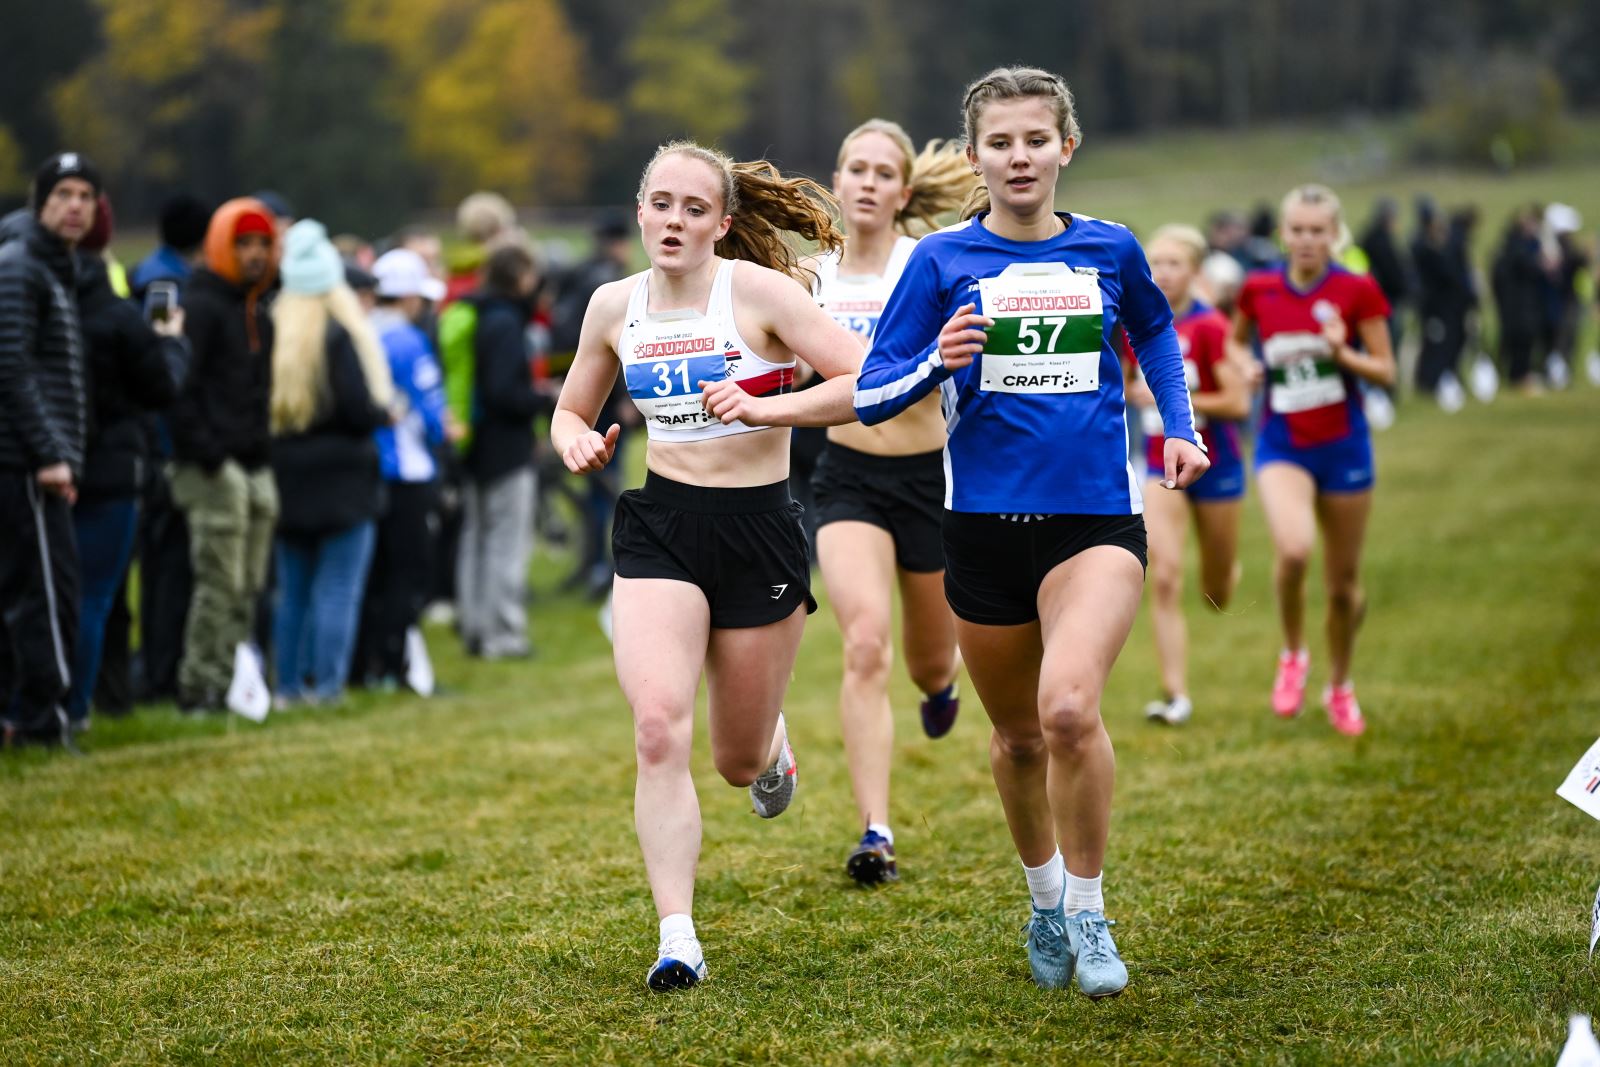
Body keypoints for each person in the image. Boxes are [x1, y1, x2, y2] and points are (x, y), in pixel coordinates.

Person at [854, 68, 1208, 999]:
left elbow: (1157, 334)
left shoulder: (1110, 248)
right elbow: (873, 390)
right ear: (974, 157)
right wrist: (939, 360)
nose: (1019, 156)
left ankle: (1090, 911)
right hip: (979, 531)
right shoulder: (939, 264)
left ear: (1066, 147)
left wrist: (1179, 422)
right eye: (1000, 143)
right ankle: (1045, 898)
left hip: (1094, 521)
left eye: (1035, 139)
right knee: (1016, 739)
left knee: (1067, 710)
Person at [550, 140, 863, 990]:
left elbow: (864, 380)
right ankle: (677, 935)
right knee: (657, 726)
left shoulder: (756, 292)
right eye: (662, 203)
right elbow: (571, 406)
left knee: (734, 759)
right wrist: (576, 437)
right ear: (641, 210)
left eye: (695, 208)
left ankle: (770, 748)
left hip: (758, 529)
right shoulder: (614, 305)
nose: (675, 220)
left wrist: (774, 406)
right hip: (662, 527)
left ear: (722, 223)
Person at [806, 119, 974, 886]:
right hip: (849, 480)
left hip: (931, 483)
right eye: (855, 168)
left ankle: (941, 687)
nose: (867, 182)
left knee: (928, 660)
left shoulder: (929, 265)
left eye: (882, 172)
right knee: (865, 643)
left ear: (903, 193)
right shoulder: (811, 279)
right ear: (837, 184)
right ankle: (875, 828)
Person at [1231, 184, 1395, 736]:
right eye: (1296, 230)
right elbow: (1235, 345)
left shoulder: (1357, 290)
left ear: (1334, 235)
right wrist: (1245, 369)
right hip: (1282, 444)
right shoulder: (1258, 289)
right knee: (1295, 550)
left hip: (1344, 445)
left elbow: (1386, 370)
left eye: (1317, 231)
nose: (1305, 240)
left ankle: (1340, 687)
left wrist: (1341, 351)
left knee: (1344, 586)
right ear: (1283, 233)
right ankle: (1294, 655)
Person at [66, 192, 189, 729]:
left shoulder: (83, 284)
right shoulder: (150, 289)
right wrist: (171, 344)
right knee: (100, 596)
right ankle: (79, 705)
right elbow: (160, 379)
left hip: (66, 452)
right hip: (114, 455)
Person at [1119, 225, 1249, 726]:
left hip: (1218, 464)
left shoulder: (1212, 327)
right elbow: (1131, 384)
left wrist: (1182, 407)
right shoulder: (1137, 325)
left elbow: (1238, 402)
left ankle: (1224, 573)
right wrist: (1139, 395)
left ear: (1195, 272)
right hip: (1159, 463)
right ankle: (1176, 696)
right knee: (1165, 576)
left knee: (1217, 594)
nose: (1165, 273)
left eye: (1175, 263)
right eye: (1156, 263)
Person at [268, 221, 394, 707]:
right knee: (337, 587)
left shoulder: (274, 329)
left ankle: (287, 686)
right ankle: (328, 687)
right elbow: (358, 410)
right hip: (344, 477)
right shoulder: (340, 335)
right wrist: (383, 411)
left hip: (287, 471)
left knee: (293, 588)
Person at [0, 153, 99, 748]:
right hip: (23, 465)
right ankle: (41, 721)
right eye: (63, 193)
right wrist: (48, 454)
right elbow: (9, 367)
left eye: (87, 195)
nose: (76, 206)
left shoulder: (55, 267)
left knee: (40, 595)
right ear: (41, 202)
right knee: (45, 599)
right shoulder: (19, 266)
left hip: (35, 460)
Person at [168, 197, 281, 713]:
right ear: (221, 245)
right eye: (244, 243)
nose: (255, 253)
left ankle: (236, 677)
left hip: (251, 463)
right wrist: (211, 456)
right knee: (219, 580)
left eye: (263, 243)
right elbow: (179, 391)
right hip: (212, 465)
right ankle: (200, 686)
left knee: (249, 583)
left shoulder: (255, 308)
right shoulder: (204, 306)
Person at [358, 248, 453, 689]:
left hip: (370, 469)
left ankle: (369, 662)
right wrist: (447, 433)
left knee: (374, 572)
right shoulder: (408, 340)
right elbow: (433, 411)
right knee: (409, 572)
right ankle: (393, 664)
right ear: (409, 297)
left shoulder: (361, 331)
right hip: (408, 471)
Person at [455, 241, 543, 660]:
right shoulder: (507, 322)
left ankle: (474, 626)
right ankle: (503, 635)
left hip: (474, 445)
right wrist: (543, 397)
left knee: (476, 538)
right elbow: (505, 392)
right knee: (506, 543)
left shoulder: (477, 314)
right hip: (506, 448)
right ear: (519, 277)